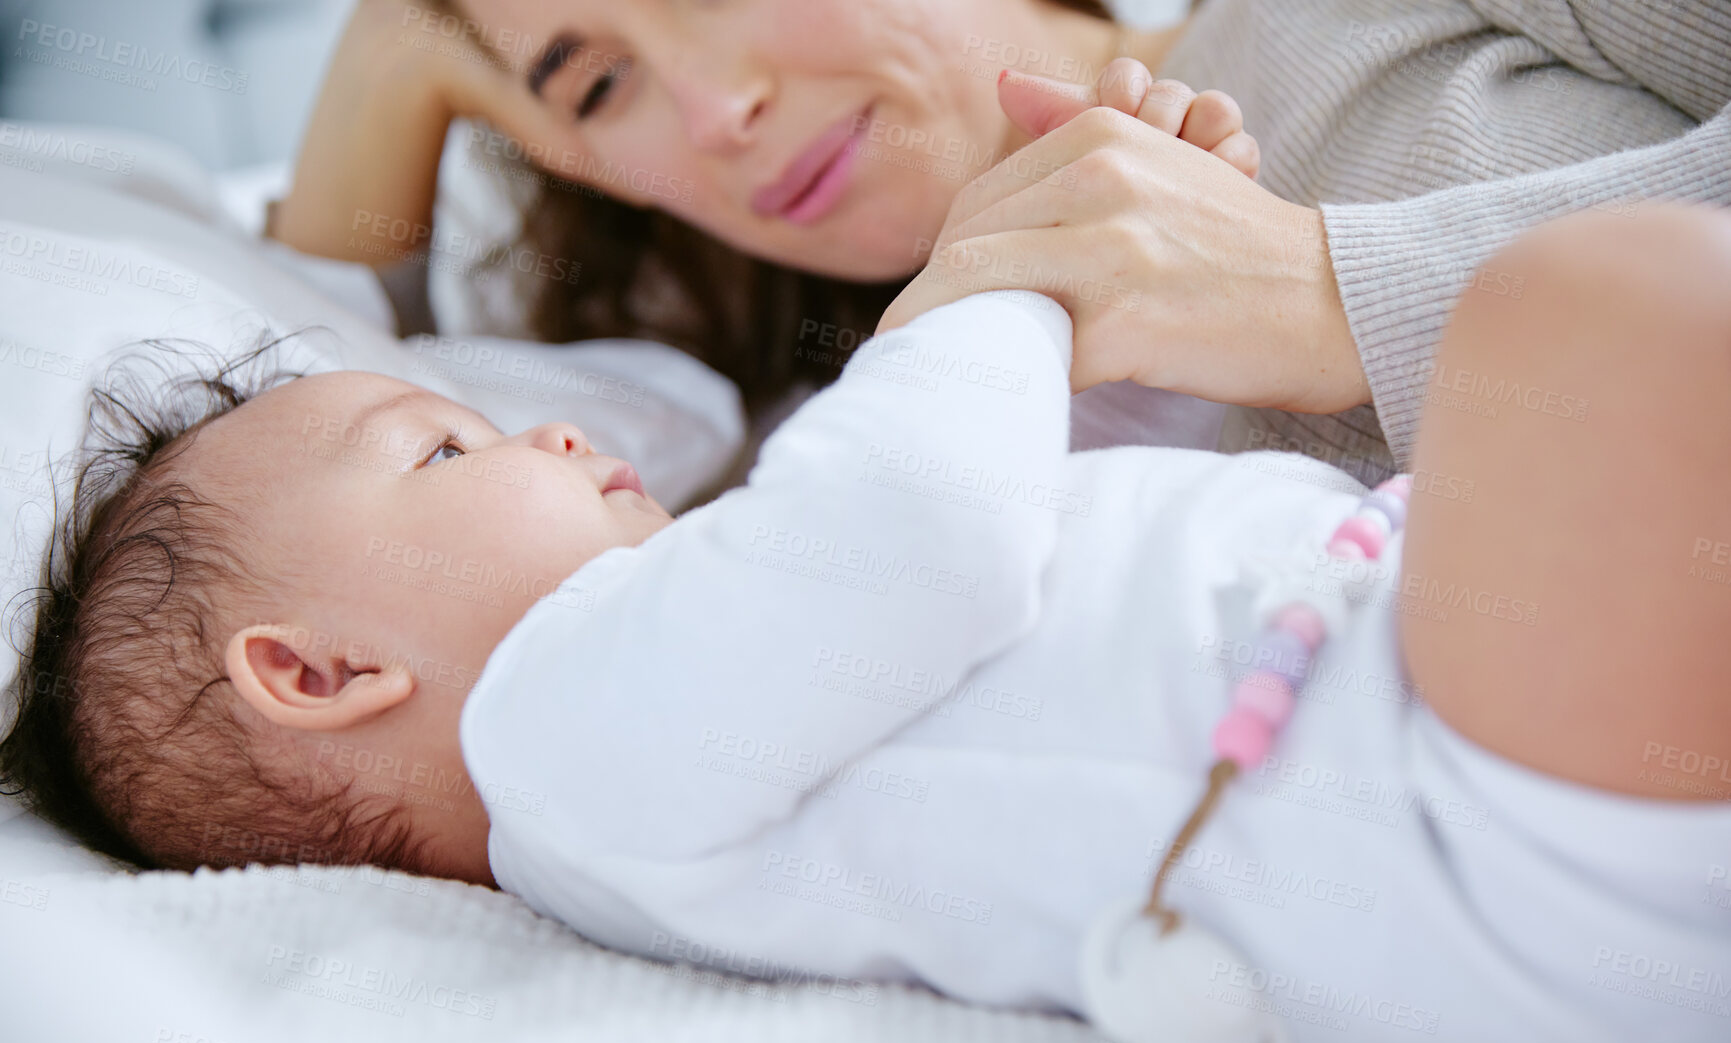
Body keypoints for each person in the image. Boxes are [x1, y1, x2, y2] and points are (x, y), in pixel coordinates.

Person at [4, 200, 1729, 1043]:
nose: (544, 437)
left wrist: (1105, 255)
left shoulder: (697, 656)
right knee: (1603, 307)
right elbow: (934, 511)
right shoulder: (565, 741)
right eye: (444, 455)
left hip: (1491, 760)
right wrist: (982, 274)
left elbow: (1034, 479)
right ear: (317, 674)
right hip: (1479, 838)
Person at [274, 0, 1730, 476]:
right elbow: (290, 425)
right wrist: (393, 52)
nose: (714, 107)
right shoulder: (826, 426)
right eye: (597, 82)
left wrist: (1341, 304)